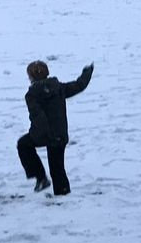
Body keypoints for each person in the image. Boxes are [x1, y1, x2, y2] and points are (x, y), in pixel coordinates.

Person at [17, 60, 94, 196]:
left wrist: (40, 135)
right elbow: (79, 85)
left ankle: (40, 178)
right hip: (59, 135)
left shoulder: (32, 95)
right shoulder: (58, 88)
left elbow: (38, 117)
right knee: (57, 168)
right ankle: (62, 194)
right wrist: (87, 73)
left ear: (31, 77)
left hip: (45, 134)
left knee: (23, 145)